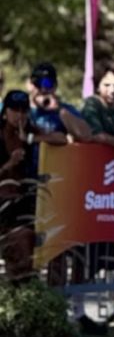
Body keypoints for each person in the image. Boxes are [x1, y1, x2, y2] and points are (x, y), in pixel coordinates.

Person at [0, 90, 38, 279]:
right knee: (19, 241)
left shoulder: (29, 132)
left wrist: (29, 140)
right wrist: (9, 164)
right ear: (5, 112)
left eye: (24, 110)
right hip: (4, 204)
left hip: (24, 202)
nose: (20, 115)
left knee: (27, 241)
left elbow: (61, 138)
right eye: (15, 110)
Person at [27, 62, 92, 146]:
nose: (43, 89)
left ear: (55, 86)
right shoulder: (21, 109)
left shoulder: (65, 110)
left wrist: (59, 109)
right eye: (37, 83)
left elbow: (86, 136)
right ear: (30, 85)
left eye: (48, 84)